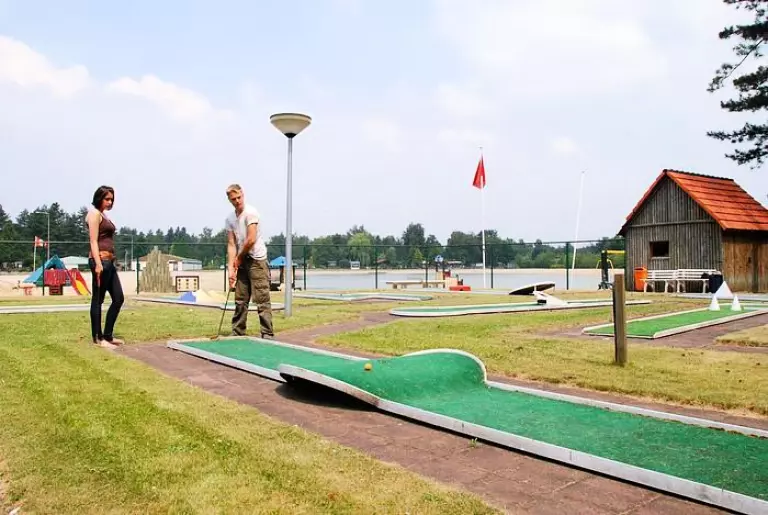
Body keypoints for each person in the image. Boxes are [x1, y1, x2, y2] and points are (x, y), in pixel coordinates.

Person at [225, 184, 274, 338]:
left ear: (243, 194)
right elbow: (231, 244)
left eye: (239, 197)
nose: (237, 201)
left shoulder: (251, 213)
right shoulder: (230, 219)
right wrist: (231, 269)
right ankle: (238, 331)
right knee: (240, 298)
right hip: (242, 260)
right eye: (233, 199)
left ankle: (267, 332)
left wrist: (239, 258)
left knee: (262, 297)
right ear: (229, 200)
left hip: (256, 259)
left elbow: (251, 239)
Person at [86, 185, 125, 348]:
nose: (110, 202)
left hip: (109, 261)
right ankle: (98, 338)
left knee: (118, 298)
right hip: (100, 261)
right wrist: (98, 263)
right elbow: (93, 241)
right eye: (107, 199)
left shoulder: (103, 215)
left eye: (112, 199)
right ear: (99, 198)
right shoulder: (94, 214)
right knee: (98, 299)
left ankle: (108, 335)